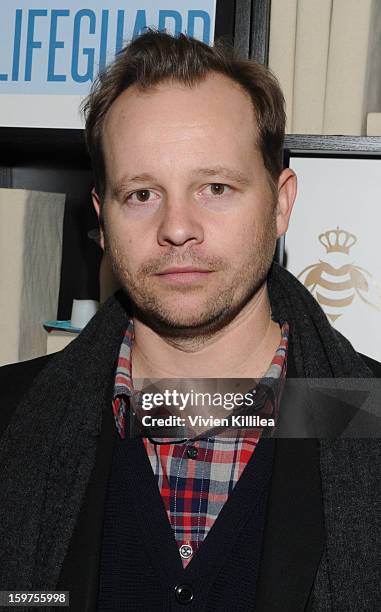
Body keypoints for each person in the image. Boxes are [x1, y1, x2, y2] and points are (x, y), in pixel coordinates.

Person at [0, 30, 380, 612]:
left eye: (216, 187)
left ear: (281, 204)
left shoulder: (368, 418)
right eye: (142, 194)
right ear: (102, 218)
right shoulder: (13, 420)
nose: (178, 227)